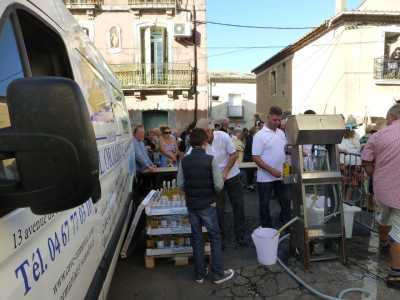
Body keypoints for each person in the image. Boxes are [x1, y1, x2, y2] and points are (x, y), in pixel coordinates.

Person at [177, 128, 235, 284]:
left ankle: (199, 274)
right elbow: (218, 185)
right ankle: (217, 274)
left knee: (197, 238)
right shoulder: (211, 159)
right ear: (204, 143)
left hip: (192, 205)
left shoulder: (184, 160)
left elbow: (180, 184)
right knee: (215, 237)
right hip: (207, 204)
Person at [362, 104, 400, 289]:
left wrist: (374, 175)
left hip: (382, 189)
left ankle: (384, 242)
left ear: (391, 117)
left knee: (384, 216)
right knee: (399, 232)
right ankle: (395, 273)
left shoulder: (377, 136)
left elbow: (366, 161)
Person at [194, 119, 246, 247]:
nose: (205, 136)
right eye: (202, 133)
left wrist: (226, 172)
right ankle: (221, 238)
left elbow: (233, 155)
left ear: (211, 130)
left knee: (238, 206)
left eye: (206, 132)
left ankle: (240, 236)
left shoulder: (223, 136)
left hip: (232, 175)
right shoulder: (201, 143)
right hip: (216, 179)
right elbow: (191, 157)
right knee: (219, 209)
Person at [252, 106, 290, 228]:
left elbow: (284, 150)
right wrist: (272, 171)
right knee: (264, 204)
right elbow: (256, 158)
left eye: (279, 120)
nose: (277, 123)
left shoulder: (281, 133)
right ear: (268, 117)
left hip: (281, 175)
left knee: (285, 202)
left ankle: (286, 225)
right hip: (265, 178)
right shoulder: (259, 135)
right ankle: (266, 229)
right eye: (275, 120)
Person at [243, 126, 257, 191]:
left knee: (250, 173)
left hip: (249, 158)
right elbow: (251, 150)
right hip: (249, 158)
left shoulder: (250, 138)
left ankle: (250, 184)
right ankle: (249, 185)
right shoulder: (251, 139)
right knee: (250, 173)